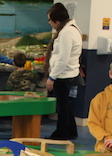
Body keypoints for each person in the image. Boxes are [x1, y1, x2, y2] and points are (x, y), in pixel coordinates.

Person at [44, 3, 82, 140]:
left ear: (57, 21)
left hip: (63, 75)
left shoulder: (66, 33)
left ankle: (61, 134)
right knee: (66, 105)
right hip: (67, 74)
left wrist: (52, 77)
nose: (49, 23)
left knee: (62, 107)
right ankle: (71, 131)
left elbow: (63, 58)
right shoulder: (71, 29)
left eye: (50, 20)